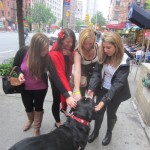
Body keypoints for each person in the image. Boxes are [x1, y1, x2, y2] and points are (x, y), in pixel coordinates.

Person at [87, 31, 131, 145]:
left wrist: (104, 101)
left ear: (116, 46)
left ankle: (109, 133)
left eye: (109, 47)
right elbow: (96, 72)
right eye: (104, 47)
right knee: (98, 111)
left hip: (116, 92)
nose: (105, 50)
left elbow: (117, 85)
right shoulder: (103, 55)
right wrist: (92, 87)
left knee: (111, 114)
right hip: (103, 88)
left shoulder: (124, 61)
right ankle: (96, 132)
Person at [12, 33, 50, 136]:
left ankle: (37, 128)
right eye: (43, 49)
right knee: (28, 106)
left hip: (41, 87)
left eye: (47, 48)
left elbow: (52, 69)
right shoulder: (23, 51)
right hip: (26, 87)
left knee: (38, 107)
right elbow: (15, 65)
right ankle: (30, 120)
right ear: (35, 48)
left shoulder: (46, 56)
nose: (46, 51)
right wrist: (19, 73)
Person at [49, 28, 77, 128]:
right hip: (55, 79)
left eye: (72, 42)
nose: (70, 44)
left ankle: (64, 109)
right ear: (61, 40)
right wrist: (68, 92)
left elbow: (73, 62)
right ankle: (57, 121)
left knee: (65, 97)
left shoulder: (69, 50)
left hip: (66, 76)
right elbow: (59, 74)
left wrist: (70, 55)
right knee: (56, 99)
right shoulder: (54, 54)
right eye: (67, 42)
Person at [73, 28, 99, 100]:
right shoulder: (78, 52)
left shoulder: (98, 48)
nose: (87, 46)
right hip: (82, 80)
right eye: (85, 43)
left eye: (90, 43)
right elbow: (77, 71)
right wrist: (77, 90)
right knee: (79, 101)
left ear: (94, 41)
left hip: (94, 80)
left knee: (91, 102)